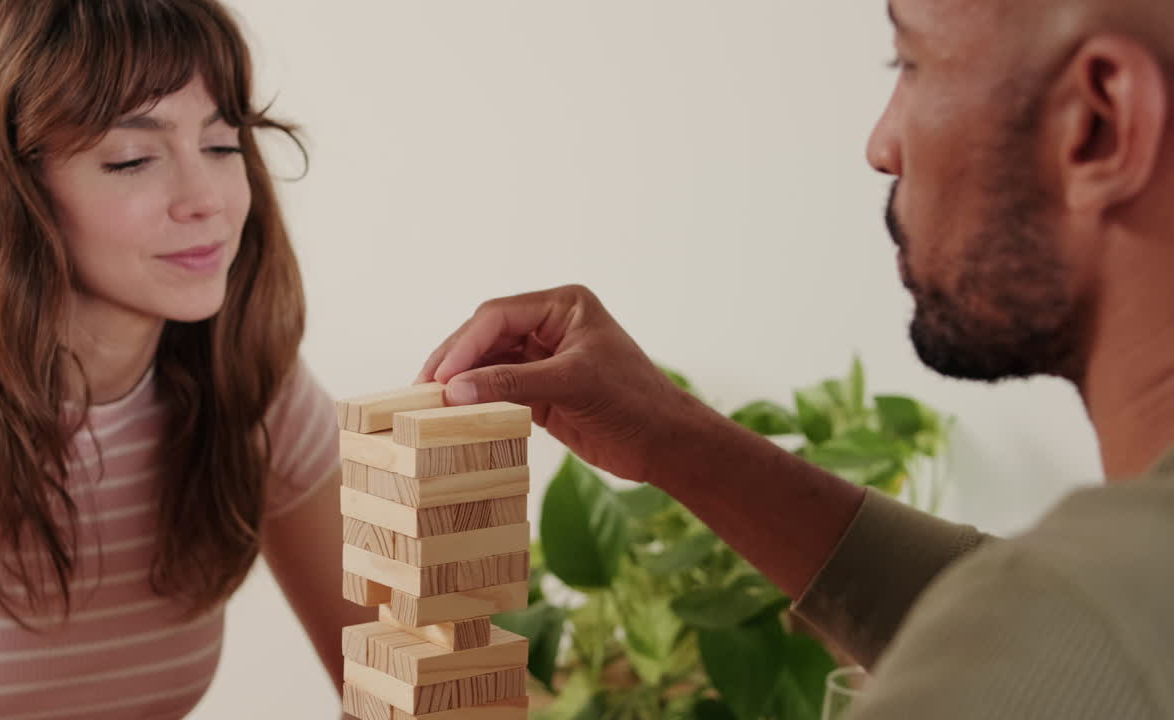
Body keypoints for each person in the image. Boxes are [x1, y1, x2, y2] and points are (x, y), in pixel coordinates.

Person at [418, 0, 1174, 717]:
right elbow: (1032, 628)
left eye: (908, 63)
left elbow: (1059, 638)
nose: (882, 145)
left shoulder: (1090, 630)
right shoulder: (1113, 605)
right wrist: (676, 438)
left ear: (1099, 125)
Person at [0, 1, 369, 717]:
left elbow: (404, 679)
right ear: (17, 187)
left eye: (220, 144)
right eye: (132, 158)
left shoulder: (248, 381)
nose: (205, 198)